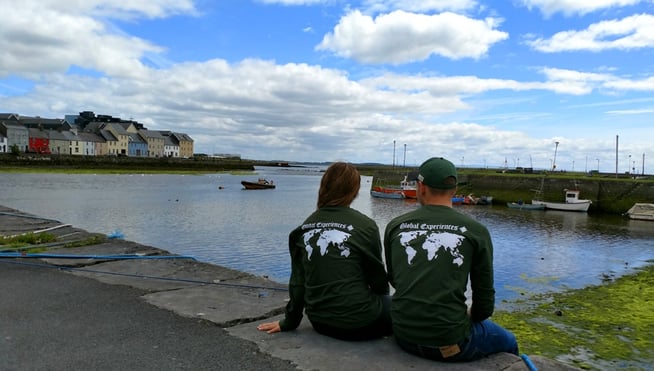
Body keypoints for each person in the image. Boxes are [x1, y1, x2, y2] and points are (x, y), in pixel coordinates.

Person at [384, 157, 518, 361]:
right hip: (451, 343)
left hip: (403, 335)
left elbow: (395, 279)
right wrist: (469, 316)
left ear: (421, 187)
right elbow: (484, 303)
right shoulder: (476, 230)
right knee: (509, 341)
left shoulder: (395, 225)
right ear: (454, 190)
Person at [257, 162, 392, 341]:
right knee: (402, 306)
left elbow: (298, 282)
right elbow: (378, 281)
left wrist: (289, 321)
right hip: (361, 323)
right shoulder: (366, 226)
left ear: (324, 187)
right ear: (355, 190)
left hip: (320, 323)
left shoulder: (303, 228)